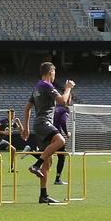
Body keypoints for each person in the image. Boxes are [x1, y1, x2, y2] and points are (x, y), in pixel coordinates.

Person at [22, 62, 74, 204]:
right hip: (44, 123)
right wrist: (68, 88)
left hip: (38, 125)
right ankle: (36, 165)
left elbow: (27, 109)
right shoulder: (47, 86)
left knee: (48, 161)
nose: (54, 76)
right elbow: (63, 101)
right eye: (54, 73)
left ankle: (43, 195)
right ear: (51, 72)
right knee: (60, 141)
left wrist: (25, 128)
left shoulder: (37, 87)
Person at [52, 103, 70, 185]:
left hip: (45, 131)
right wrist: (66, 133)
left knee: (44, 153)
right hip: (55, 134)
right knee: (61, 156)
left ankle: (31, 151)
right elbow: (63, 122)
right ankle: (57, 179)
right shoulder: (65, 109)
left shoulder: (54, 108)